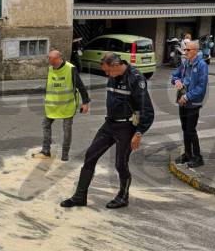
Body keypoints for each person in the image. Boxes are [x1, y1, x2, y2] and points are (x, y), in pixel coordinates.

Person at [60, 52, 154, 209]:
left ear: (116, 66)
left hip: (126, 127)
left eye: (108, 71)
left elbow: (148, 110)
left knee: (120, 163)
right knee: (90, 155)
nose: (106, 74)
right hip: (109, 124)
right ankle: (79, 196)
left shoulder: (135, 79)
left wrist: (138, 133)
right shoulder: (113, 75)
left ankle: (123, 197)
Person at [32, 49, 90, 162]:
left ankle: (65, 154)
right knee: (45, 124)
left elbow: (80, 86)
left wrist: (85, 102)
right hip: (52, 105)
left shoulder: (70, 68)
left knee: (67, 129)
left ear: (59, 58)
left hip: (67, 105)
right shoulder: (50, 69)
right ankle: (46, 151)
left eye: (52, 59)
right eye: (49, 59)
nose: (50, 62)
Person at [170, 40, 208, 168]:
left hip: (193, 103)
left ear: (195, 51)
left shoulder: (202, 65)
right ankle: (187, 154)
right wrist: (177, 82)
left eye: (188, 50)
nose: (185, 52)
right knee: (185, 129)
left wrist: (186, 96)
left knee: (191, 130)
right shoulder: (185, 63)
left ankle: (198, 157)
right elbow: (174, 76)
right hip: (182, 101)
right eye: (185, 49)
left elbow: (201, 87)